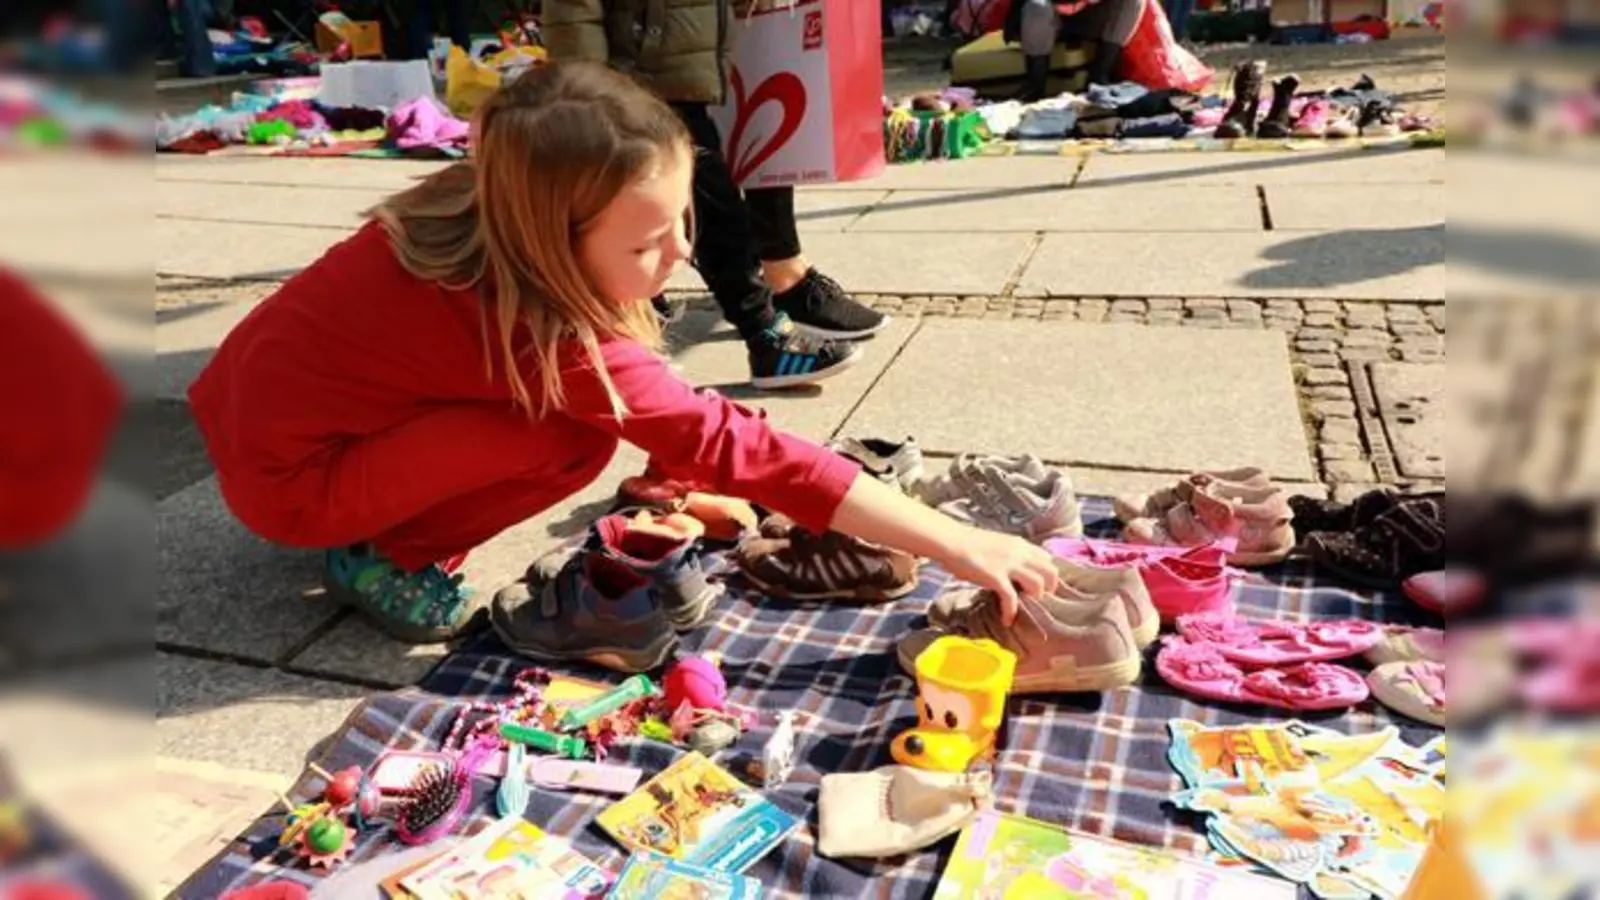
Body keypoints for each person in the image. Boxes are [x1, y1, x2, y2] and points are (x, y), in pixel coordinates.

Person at [185, 62, 1057, 650]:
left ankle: (376, 513)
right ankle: (380, 554)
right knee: (569, 440)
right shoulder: (541, 332)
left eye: (684, 220)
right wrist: (953, 540)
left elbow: (687, 422)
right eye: (645, 245)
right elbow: (732, 445)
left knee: (587, 416)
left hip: (258, 424)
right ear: (552, 238)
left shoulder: (480, 204)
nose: (678, 254)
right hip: (289, 486)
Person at [542, 0, 888, 391]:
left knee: (695, 214)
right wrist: (591, 91)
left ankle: (645, 336)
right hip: (637, 78)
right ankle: (765, 333)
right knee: (711, 212)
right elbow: (572, 10)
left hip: (677, 73)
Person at [1008, 0, 1150, 101]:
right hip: (1049, 15)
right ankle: (1034, 85)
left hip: (1090, 15)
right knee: (1037, 6)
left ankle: (1099, 77)